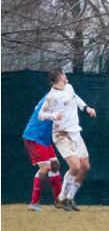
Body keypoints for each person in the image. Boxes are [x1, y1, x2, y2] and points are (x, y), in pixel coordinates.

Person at [38, 69, 96, 212]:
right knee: (75, 166)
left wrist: (87, 108)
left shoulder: (69, 88)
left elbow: (75, 97)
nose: (66, 77)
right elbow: (41, 114)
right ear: (60, 77)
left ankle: (70, 198)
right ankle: (62, 197)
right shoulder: (52, 96)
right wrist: (53, 116)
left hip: (75, 132)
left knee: (85, 167)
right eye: (64, 74)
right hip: (61, 134)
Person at [22, 93, 63, 211]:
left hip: (43, 137)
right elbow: (41, 115)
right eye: (64, 78)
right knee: (45, 167)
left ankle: (58, 201)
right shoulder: (52, 97)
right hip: (34, 136)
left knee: (55, 165)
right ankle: (33, 204)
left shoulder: (58, 97)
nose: (66, 81)